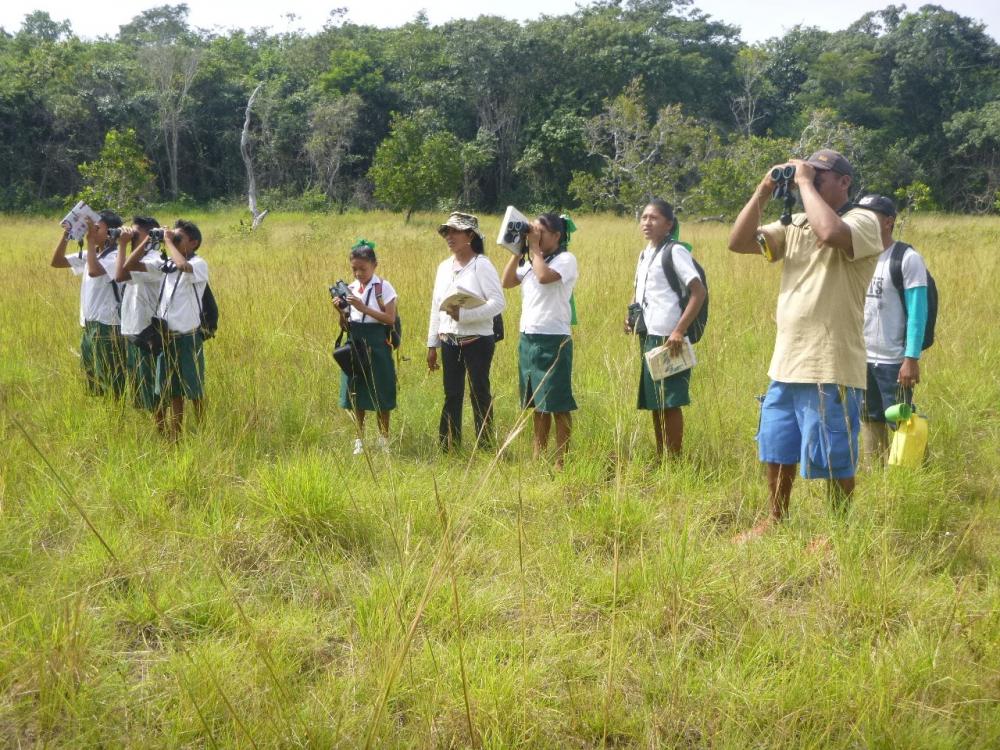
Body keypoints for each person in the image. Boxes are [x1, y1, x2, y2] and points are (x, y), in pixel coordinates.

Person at [727, 149, 883, 541]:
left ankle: (837, 533)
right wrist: (764, 190)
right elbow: (739, 241)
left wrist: (800, 181)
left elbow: (831, 234)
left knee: (834, 455)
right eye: (809, 174)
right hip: (786, 361)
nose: (811, 180)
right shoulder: (795, 223)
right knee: (777, 448)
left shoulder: (863, 220)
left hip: (830, 362)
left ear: (844, 181)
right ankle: (775, 519)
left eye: (820, 176)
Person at [626, 199, 706, 459]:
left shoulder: (675, 252)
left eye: (654, 218)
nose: (646, 223)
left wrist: (679, 331)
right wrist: (631, 316)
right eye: (644, 217)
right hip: (648, 333)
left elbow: (698, 291)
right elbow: (640, 291)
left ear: (668, 224)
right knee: (655, 402)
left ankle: (674, 459)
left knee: (670, 401)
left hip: (669, 337)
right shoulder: (644, 254)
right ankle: (662, 457)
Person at [501, 212, 578, 469]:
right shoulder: (532, 259)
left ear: (556, 236)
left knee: (557, 402)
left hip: (554, 338)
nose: (535, 235)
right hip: (529, 337)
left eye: (540, 232)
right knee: (537, 403)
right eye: (532, 231)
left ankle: (561, 460)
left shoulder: (566, 259)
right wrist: (518, 249)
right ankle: (538, 455)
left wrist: (533, 248)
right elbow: (507, 281)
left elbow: (544, 278)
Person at [857, 194, 930, 462]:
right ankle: (877, 477)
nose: (863, 221)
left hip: (893, 360)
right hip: (861, 356)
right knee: (868, 417)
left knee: (900, 421)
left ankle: (914, 475)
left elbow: (917, 314)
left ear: (888, 221)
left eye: (870, 216)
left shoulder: (907, 259)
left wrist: (911, 358)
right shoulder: (858, 256)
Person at [427, 212, 506, 450]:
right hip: (449, 339)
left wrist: (466, 316)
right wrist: (432, 343)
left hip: (478, 340)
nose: (449, 237)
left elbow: (498, 302)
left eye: (455, 232)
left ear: (470, 235)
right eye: (447, 232)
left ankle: (485, 446)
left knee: (479, 392)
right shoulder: (443, 267)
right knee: (452, 394)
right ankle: (449, 446)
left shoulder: (482, 265)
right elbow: (436, 306)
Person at [123, 220, 208, 440]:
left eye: (179, 238)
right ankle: (174, 436)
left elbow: (184, 266)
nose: (173, 242)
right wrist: (150, 241)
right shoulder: (166, 264)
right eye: (173, 238)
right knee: (172, 392)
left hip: (187, 337)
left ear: (193, 242)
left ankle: (203, 431)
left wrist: (168, 241)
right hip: (165, 338)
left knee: (195, 390)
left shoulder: (198, 264)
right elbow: (130, 266)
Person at [50, 209, 126, 396]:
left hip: (108, 325)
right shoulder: (91, 253)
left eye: (97, 227)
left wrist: (90, 242)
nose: (91, 230)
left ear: (112, 233)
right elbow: (57, 261)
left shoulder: (115, 256)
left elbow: (93, 271)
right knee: (92, 376)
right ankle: (102, 409)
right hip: (89, 324)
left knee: (112, 376)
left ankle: (117, 413)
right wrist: (67, 234)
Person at [335, 240, 397, 455]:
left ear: (374, 265)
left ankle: (383, 439)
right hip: (354, 343)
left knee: (381, 391)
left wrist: (363, 307)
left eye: (363, 268)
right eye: (354, 269)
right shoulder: (350, 288)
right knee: (356, 391)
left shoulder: (383, 287)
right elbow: (345, 324)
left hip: (377, 344)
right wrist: (341, 312)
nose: (359, 273)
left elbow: (390, 319)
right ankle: (359, 440)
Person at [115, 217, 167, 428]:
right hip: (132, 329)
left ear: (150, 236)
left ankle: (164, 433)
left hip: (147, 331)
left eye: (136, 235)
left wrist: (123, 245)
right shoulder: (137, 258)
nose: (131, 238)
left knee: (153, 388)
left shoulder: (156, 259)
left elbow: (120, 274)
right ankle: (157, 431)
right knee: (141, 389)